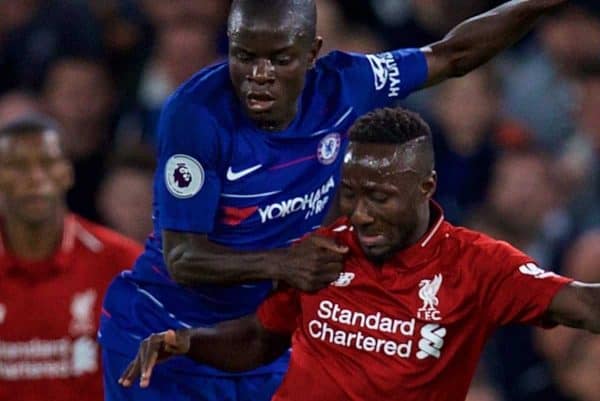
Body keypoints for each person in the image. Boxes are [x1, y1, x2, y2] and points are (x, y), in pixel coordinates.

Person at [99, 1, 572, 400]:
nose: (258, 76)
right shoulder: (196, 115)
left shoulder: (349, 82)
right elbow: (183, 257)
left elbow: (452, 54)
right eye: (244, 57)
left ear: (312, 54)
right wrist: (282, 264)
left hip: (257, 340)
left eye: (280, 59)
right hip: (162, 332)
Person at [120, 107, 600, 401]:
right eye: (351, 194)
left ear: (426, 187)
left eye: (381, 197)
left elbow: (583, 304)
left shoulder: (477, 265)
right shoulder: (320, 251)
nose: (362, 214)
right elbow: (260, 339)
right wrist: (184, 341)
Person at [0, 116, 142, 401]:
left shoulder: (122, 263)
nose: (35, 178)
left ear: (67, 172)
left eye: (47, 163)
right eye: (17, 166)